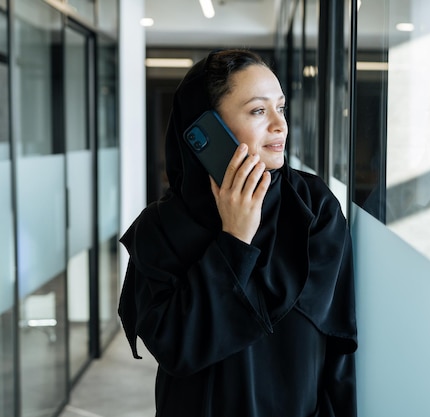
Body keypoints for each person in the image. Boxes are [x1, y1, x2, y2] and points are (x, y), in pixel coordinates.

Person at [117, 49, 357, 416]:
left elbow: (337, 342)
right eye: (258, 111)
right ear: (206, 127)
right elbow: (178, 348)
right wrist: (234, 241)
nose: (280, 125)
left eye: (281, 107)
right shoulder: (161, 227)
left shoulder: (313, 207)